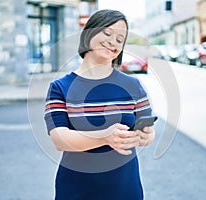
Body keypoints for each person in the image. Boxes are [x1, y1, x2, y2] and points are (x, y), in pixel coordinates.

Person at [44, 9, 155, 200]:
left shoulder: (133, 86)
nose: (113, 42)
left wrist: (143, 137)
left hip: (125, 188)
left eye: (120, 39)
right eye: (108, 33)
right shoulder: (60, 87)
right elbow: (59, 139)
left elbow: (149, 133)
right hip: (76, 189)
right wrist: (105, 137)